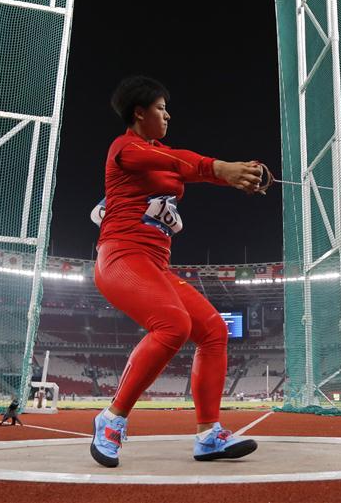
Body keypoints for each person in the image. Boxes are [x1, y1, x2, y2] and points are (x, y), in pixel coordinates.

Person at [89, 76, 262, 468]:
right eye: (161, 108)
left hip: (155, 266)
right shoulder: (124, 147)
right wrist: (221, 167)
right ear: (139, 112)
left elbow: (188, 168)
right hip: (120, 257)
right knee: (173, 324)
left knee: (213, 329)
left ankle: (208, 435)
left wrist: (236, 175)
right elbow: (179, 163)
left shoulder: (164, 153)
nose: (168, 114)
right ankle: (111, 419)